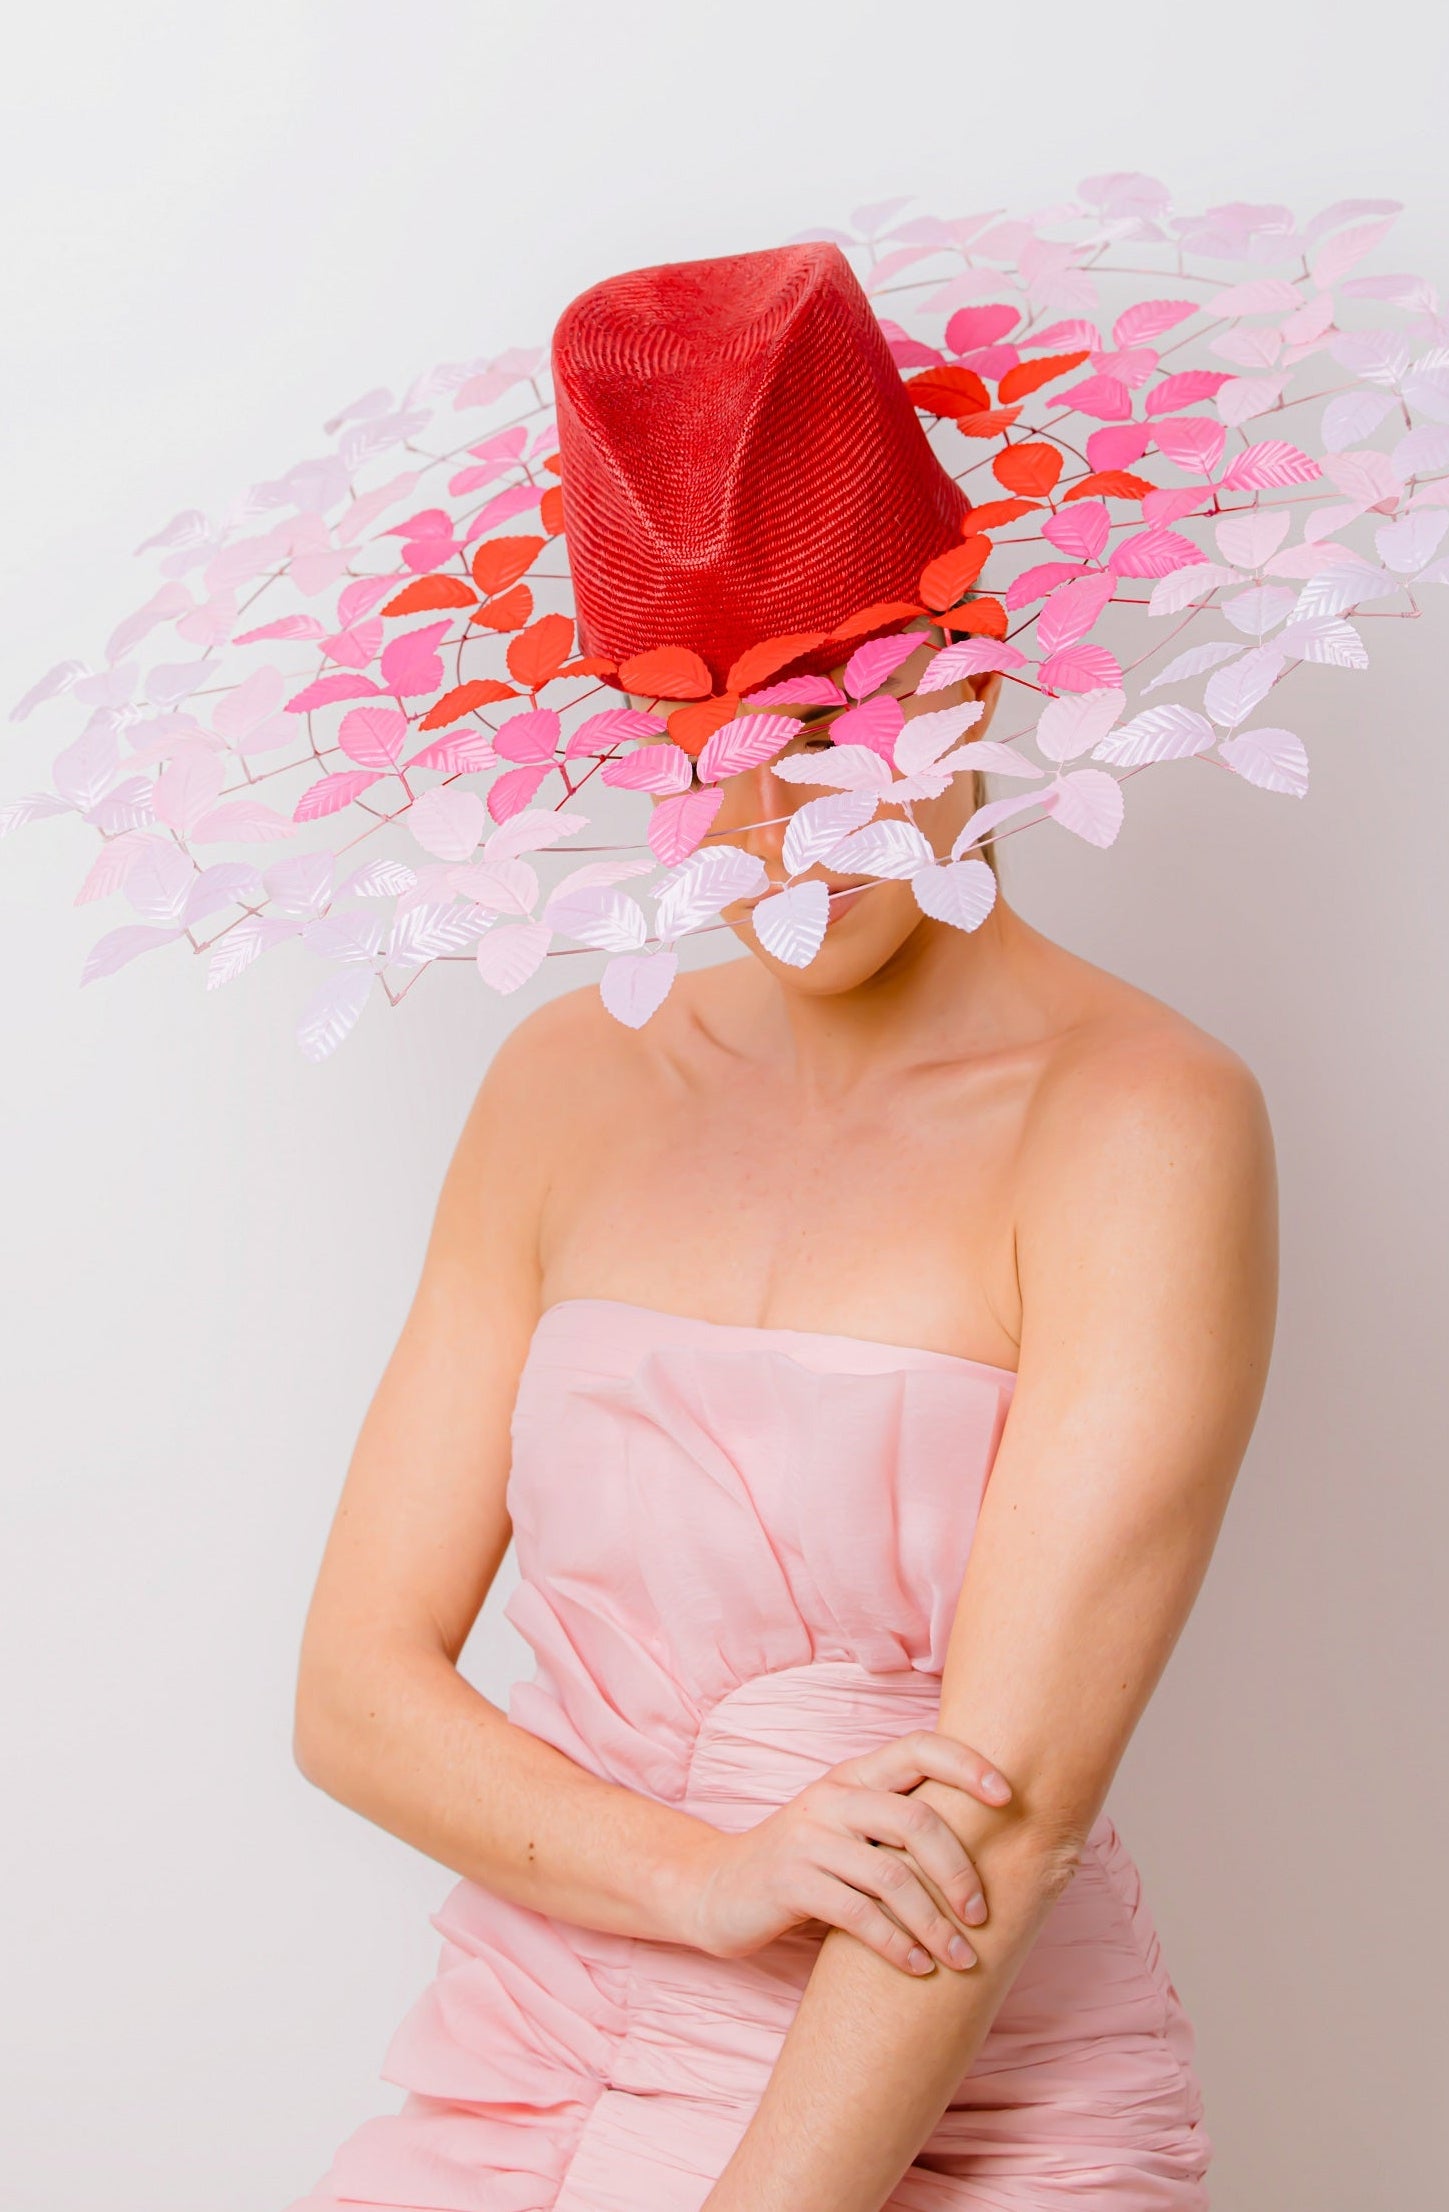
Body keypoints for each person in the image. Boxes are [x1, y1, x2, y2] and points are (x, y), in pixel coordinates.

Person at [287, 243, 1278, 2211]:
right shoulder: (567, 1079)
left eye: (834, 715)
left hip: (956, 2082)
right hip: (540, 2053)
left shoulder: (1143, 1120)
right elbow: (353, 1691)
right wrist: (698, 1873)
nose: (777, 820)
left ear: (979, 659)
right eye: (703, 739)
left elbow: (1000, 1831)